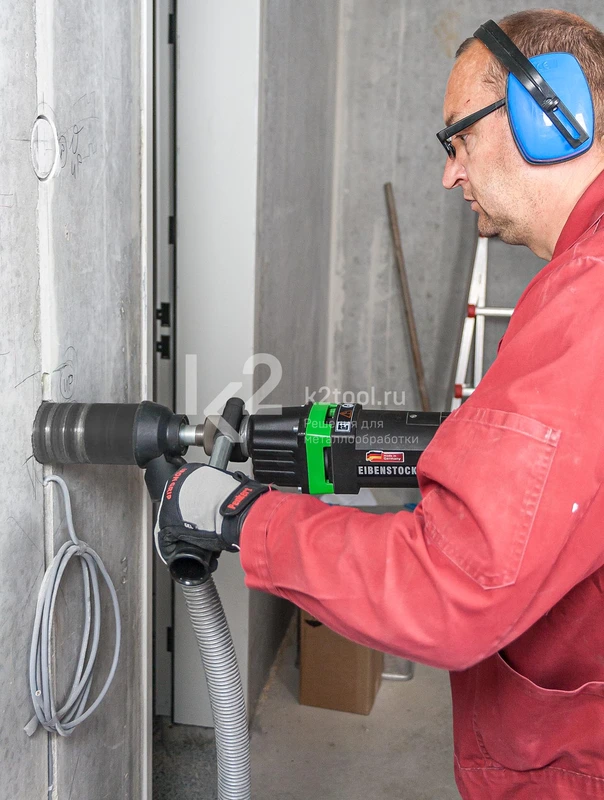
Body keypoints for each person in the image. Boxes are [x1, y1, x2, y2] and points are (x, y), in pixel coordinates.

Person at [149, 10, 604, 799]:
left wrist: (241, 516)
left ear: (546, 112)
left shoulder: (586, 304)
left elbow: (447, 588)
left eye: (456, 139)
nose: (450, 175)